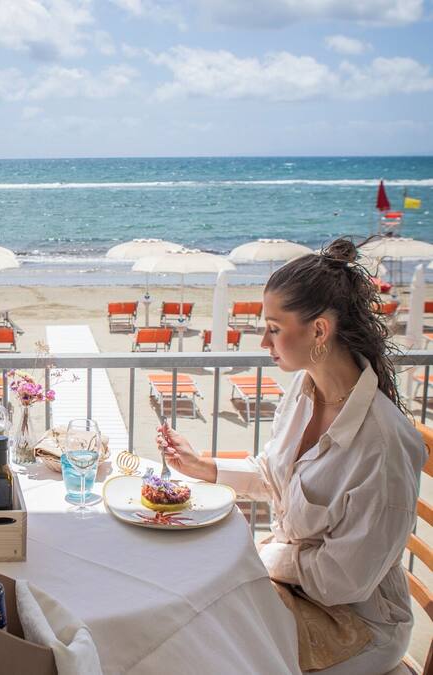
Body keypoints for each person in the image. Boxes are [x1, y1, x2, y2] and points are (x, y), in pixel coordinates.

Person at [158, 237, 425, 674]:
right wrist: (204, 466)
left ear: (319, 330)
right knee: (188, 614)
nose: (263, 339)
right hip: (298, 586)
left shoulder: (383, 446)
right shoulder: (304, 394)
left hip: (356, 623)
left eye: (275, 328)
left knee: (208, 648)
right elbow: (275, 474)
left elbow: (343, 581)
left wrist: (260, 557)